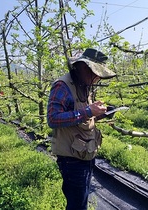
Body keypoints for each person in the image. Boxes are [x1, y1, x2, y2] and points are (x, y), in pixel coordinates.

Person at [47, 48, 116, 210]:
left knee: (82, 201)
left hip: (85, 153)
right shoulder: (62, 86)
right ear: (85, 68)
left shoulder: (83, 85)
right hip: (71, 159)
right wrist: (88, 111)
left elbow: (80, 117)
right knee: (77, 205)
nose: (98, 78)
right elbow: (53, 118)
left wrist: (99, 114)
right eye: (96, 74)